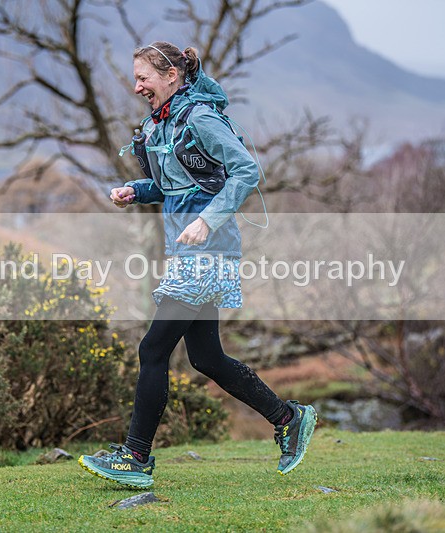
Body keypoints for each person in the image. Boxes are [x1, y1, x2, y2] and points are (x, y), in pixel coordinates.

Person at [78, 41, 316, 488]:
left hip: (208, 251)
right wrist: (137, 190)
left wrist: (208, 221)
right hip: (186, 250)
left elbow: (246, 171)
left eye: (143, 78)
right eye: (135, 79)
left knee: (153, 348)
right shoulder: (164, 122)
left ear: (171, 75)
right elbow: (177, 182)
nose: (136, 87)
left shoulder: (201, 117)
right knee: (206, 356)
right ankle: (288, 418)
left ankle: (135, 457)